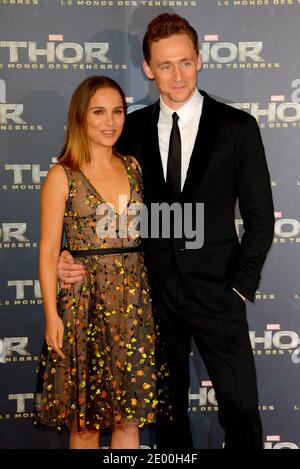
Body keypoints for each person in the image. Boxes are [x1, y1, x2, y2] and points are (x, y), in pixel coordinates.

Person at [57, 14, 275, 449]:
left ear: (198, 60)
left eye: (185, 63)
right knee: (167, 415)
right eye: (165, 65)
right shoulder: (130, 129)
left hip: (219, 293)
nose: (177, 75)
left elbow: (261, 219)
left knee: (242, 411)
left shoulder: (237, 127)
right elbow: (94, 191)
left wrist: (239, 288)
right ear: (147, 68)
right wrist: (69, 253)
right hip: (150, 295)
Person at [34, 75, 170, 449]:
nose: (110, 122)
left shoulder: (133, 168)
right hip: (84, 307)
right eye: (99, 112)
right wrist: (51, 315)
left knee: (128, 419)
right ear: (81, 117)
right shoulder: (63, 175)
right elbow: (48, 250)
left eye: (117, 112)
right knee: (86, 423)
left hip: (133, 308)